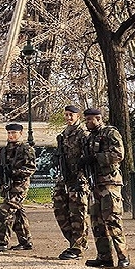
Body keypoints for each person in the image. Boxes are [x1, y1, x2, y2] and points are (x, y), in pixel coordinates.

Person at [79, 108, 130, 269]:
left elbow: (118, 155)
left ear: (98, 118)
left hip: (109, 183)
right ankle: (104, 257)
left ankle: (123, 256)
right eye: (86, 120)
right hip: (95, 184)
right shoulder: (90, 138)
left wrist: (95, 158)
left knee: (113, 220)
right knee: (97, 223)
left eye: (89, 120)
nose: (87, 123)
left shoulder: (110, 133)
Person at [0, 123, 37, 252]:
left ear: (20, 134)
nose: (11, 135)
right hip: (7, 186)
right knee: (18, 214)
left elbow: (30, 169)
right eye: (9, 133)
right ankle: (25, 241)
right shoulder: (4, 150)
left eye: (14, 133)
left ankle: (0, 241)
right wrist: (0, 171)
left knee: (5, 211)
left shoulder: (26, 149)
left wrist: (13, 172)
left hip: (19, 186)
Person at [52, 105, 90, 260]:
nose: (68, 118)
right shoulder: (62, 135)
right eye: (66, 115)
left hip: (79, 177)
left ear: (77, 116)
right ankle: (73, 242)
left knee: (78, 212)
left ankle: (77, 247)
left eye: (71, 115)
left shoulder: (83, 134)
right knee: (59, 207)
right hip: (65, 176)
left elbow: (88, 155)